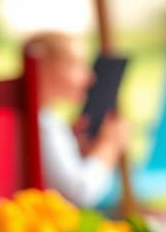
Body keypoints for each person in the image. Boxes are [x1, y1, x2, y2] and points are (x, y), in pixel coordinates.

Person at [24, 32, 129, 209]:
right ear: (43, 66)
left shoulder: (40, 121)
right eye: (77, 65)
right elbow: (79, 193)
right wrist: (108, 148)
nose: (90, 77)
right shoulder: (44, 125)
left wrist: (71, 144)